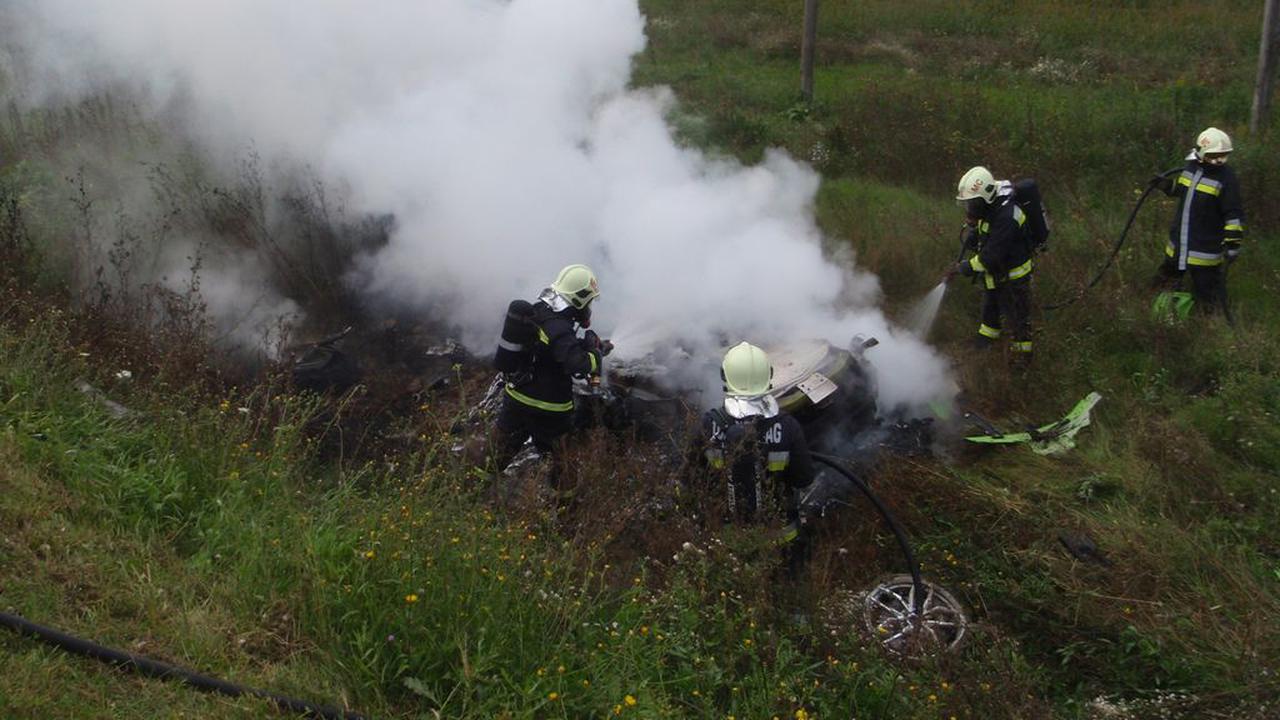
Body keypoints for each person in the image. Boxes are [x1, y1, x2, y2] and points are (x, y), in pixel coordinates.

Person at [688, 342, 816, 579]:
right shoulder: (787, 425)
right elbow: (804, 478)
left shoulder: (709, 424)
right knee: (783, 594)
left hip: (724, 542)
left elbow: (690, 479)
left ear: (725, 377)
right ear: (769, 376)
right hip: (781, 544)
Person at [490, 263, 609, 476]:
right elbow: (577, 364)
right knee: (565, 466)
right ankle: (566, 496)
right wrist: (595, 355)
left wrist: (583, 345)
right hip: (549, 408)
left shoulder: (541, 310)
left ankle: (468, 488)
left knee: (495, 454)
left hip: (516, 398)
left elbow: (551, 348)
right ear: (579, 300)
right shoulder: (560, 327)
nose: (589, 307)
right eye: (588, 301)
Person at [1150, 127, 1245, 317]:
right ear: (1201, 153)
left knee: (1208, 296)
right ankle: (1158, 318)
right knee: (1162, 285)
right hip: (1178, 247)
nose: (1220, 161)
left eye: (1224, 156)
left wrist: (1233, 244)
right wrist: (1166, 186)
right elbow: (1183, 190)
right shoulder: (1190, 168)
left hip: (1204, 252)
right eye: (1215, 156)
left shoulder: (1227, 178)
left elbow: (1233, 213)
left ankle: (1210, 324)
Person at [945, 166, 1035, 360]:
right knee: (990, 314)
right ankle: (984, 345)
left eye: (972, 204)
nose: (969, 209)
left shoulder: (1008, 217)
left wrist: (963, 268)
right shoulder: (991, 207)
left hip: (1013, 280)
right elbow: (987, 232)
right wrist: (974, 234)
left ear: (983, 199)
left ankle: (1021, 361)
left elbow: (989, 258)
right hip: (996, 275)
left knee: (1017, 322)